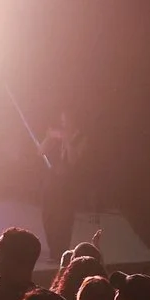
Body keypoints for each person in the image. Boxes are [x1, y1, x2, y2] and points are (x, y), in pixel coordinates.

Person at [40, 109, 86, 255]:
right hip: (52, 183)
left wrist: (67, 140)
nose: (63, 125)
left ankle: (62, 250)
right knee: (48, 215)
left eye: (66, 122)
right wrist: (49, 137)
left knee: (64, 218)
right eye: (62, 122)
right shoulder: (56, 137)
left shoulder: (81, 138)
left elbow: (73, 160)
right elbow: (40, 152)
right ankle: (53, 248)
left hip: (68, 186)